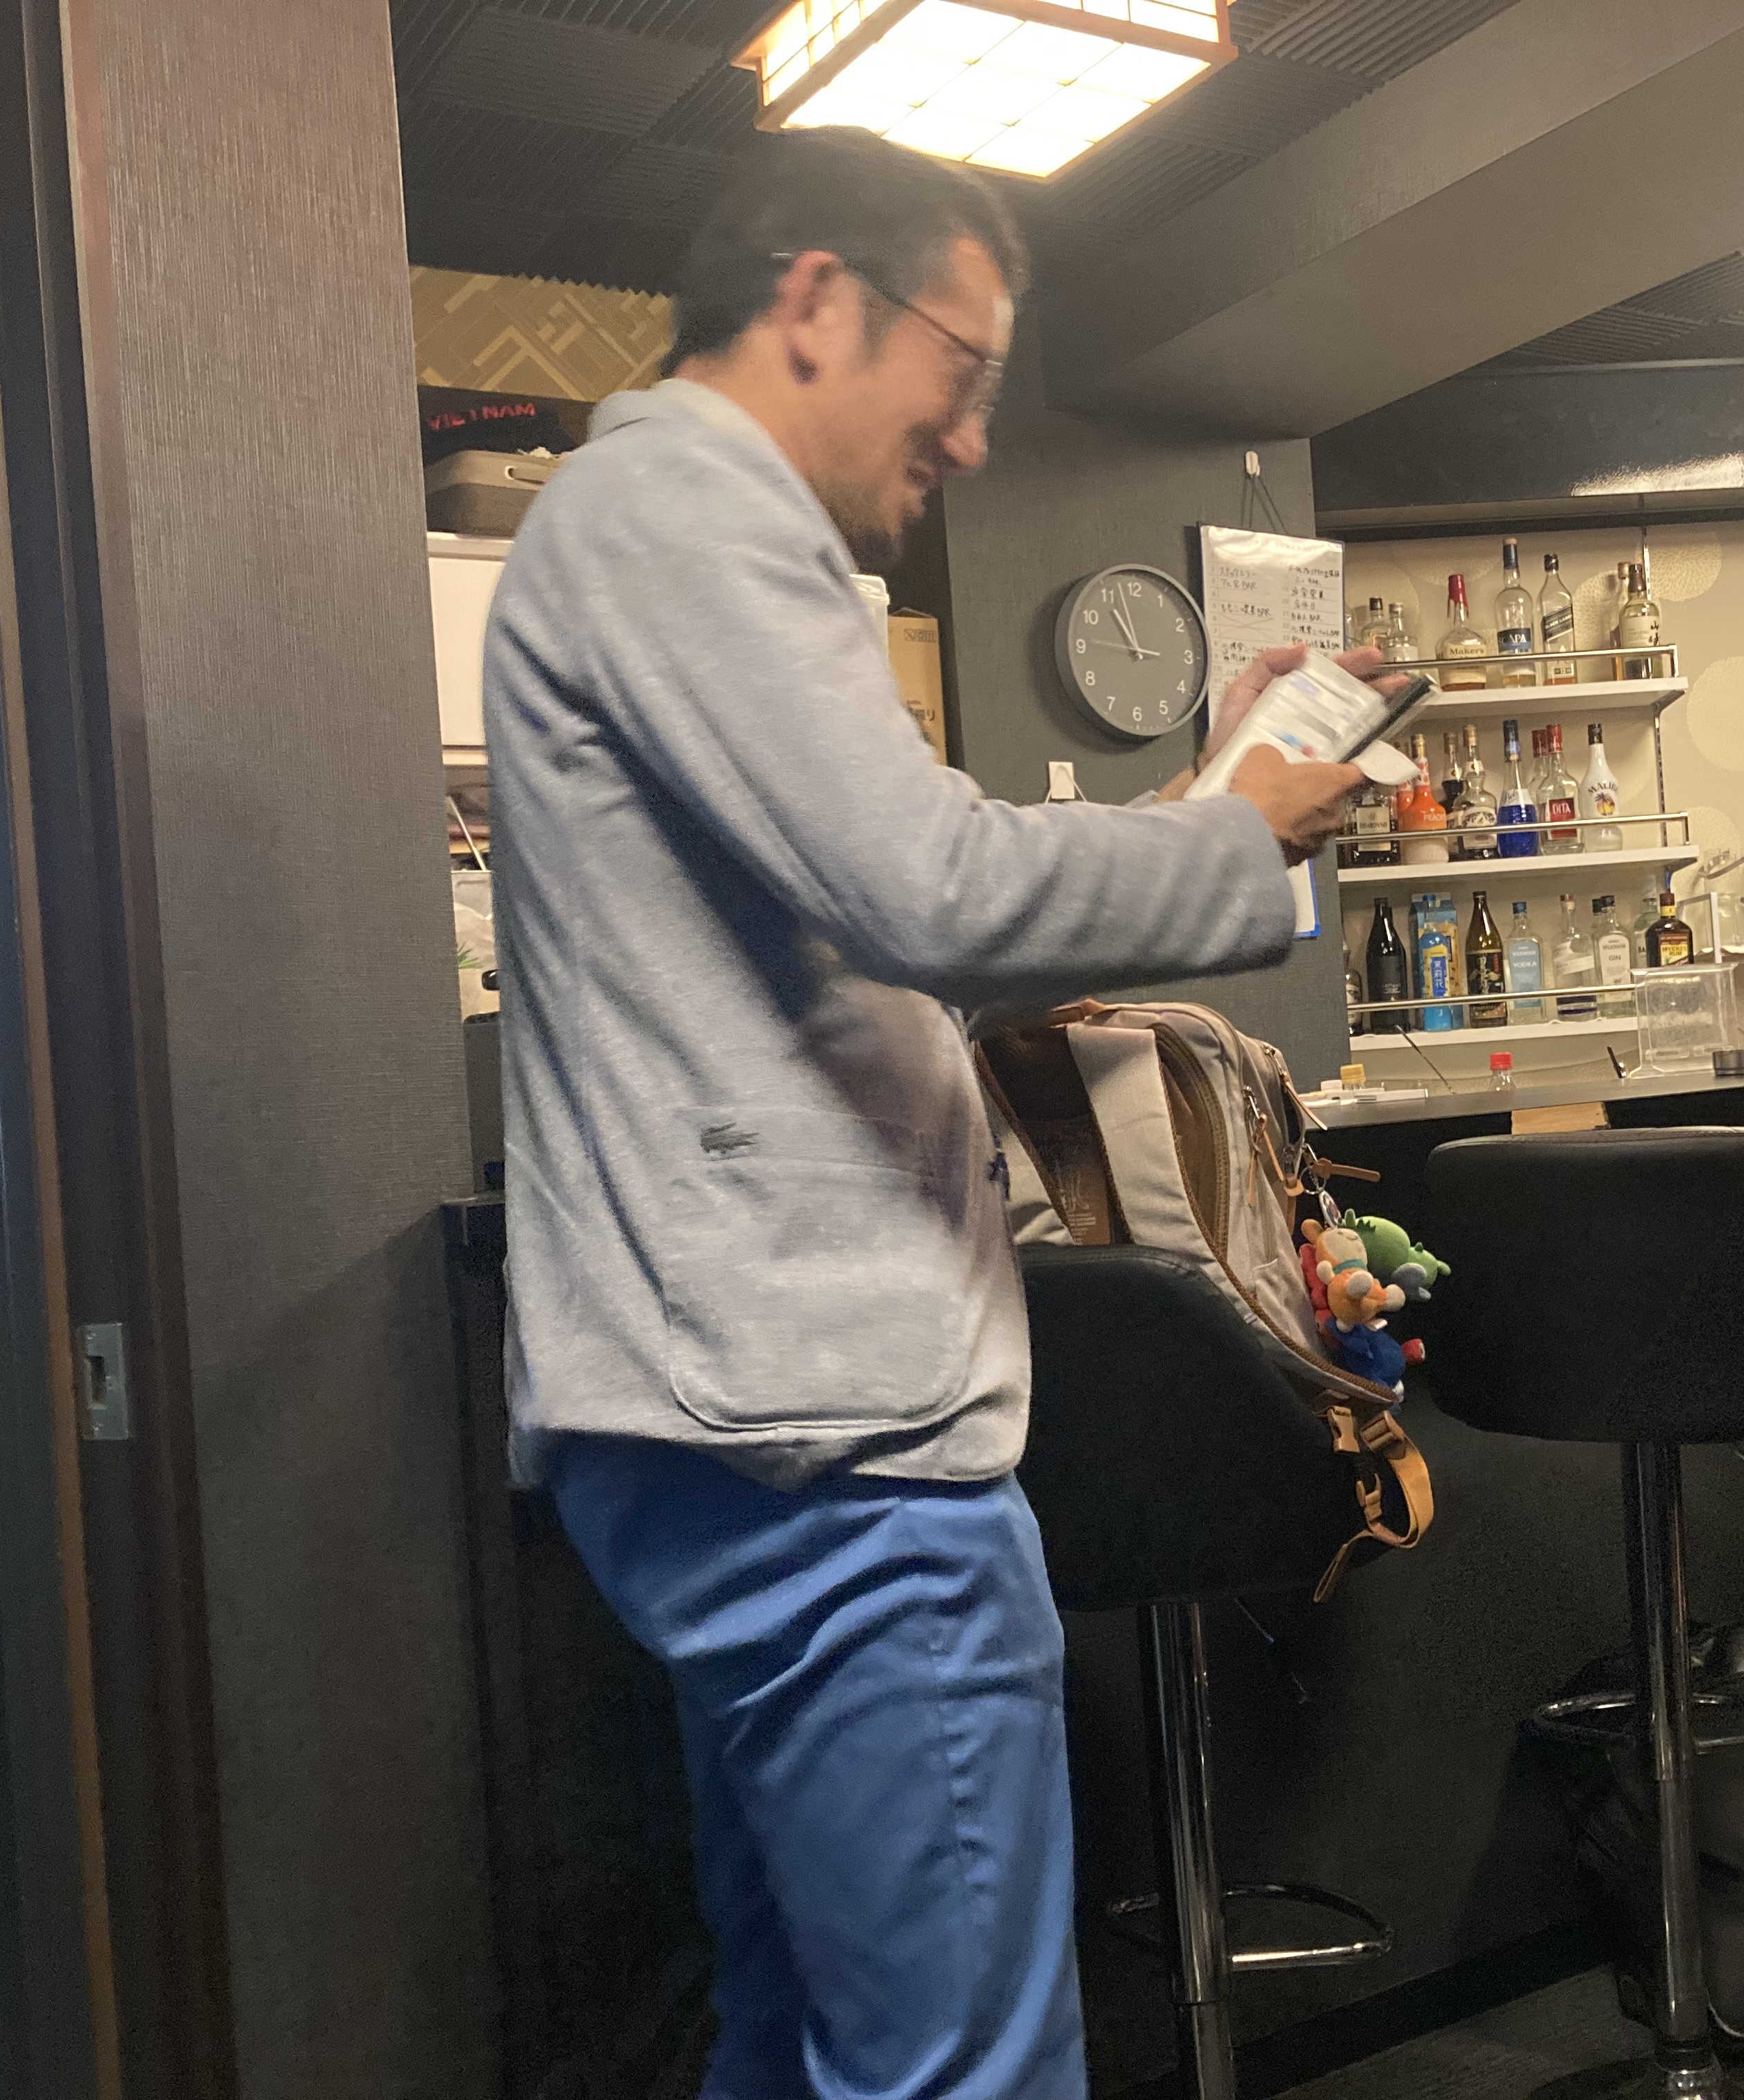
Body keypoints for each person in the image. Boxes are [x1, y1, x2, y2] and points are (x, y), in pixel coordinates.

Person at [483, 128, 1372, 2100]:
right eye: (963, 373)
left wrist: (1198, 808)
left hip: (741, 1416)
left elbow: (890, 933)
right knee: (963, 2070)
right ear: (817, 300)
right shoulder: (692, 509)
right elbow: (934, 891)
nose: (972, 439)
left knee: (808, 2032)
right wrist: (1237, 838)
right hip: (832, 1442)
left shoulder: (644, 530)